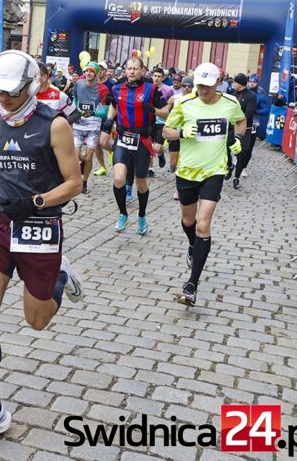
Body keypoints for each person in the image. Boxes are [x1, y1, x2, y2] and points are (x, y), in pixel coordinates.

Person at [0, 50, 82, 452]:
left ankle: (59, 276)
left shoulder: (54, 125)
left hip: (40, 226)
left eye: (12, 92)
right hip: (0, 221)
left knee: (37, 320)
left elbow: (74, 183)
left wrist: (39, 203)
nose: (4, 99)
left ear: (32, 86)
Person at [163, 62, 246, 306]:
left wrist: (238, 139)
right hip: (187, 172)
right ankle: (192, 246)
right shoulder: (184, 104)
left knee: (202, 224)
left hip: (214, 171)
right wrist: (182, 133)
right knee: (188, 221)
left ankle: (192, 285)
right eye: (200, 85)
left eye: (208, 86)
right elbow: (166, 131)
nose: (203, 90)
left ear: (218, 83)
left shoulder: (230, 103)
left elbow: (241, 121)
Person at [107, 57, 167, 235]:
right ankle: (123, 213)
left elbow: (166, 112)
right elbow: (113, 105)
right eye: (129, 68)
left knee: (141, 182)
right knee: (118, 179)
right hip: (123, 137)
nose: (131, 71)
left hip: (141, 140)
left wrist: (153, 109)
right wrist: (109, 121)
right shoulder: (117, 87)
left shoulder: (151, 89)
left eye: (135, 68)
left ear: (142, 71)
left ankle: (141, 216)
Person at [72, 62, 109, 193]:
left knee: (89, 157)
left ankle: (84, 182)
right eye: (86, 70)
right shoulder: (78, 84)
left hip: (93, 126)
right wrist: (76, 110)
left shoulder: (103, 89)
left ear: (96, 73)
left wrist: (93, 113)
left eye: (91, 71)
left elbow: (106, 110)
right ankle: (82, 163)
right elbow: (75, 100)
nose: (88, 73)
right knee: (76, 155)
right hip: (79, 125)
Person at [229, 73, 257, 190]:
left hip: (246, 128)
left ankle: (236, 178)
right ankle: (229, 165)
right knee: (226, 147)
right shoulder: (232, 95)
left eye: (235, 82)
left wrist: (238, 119)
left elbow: (249, 113)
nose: (233, 84)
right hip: (231, 127)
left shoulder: (251, 96)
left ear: (240, 84)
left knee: (242, 153)